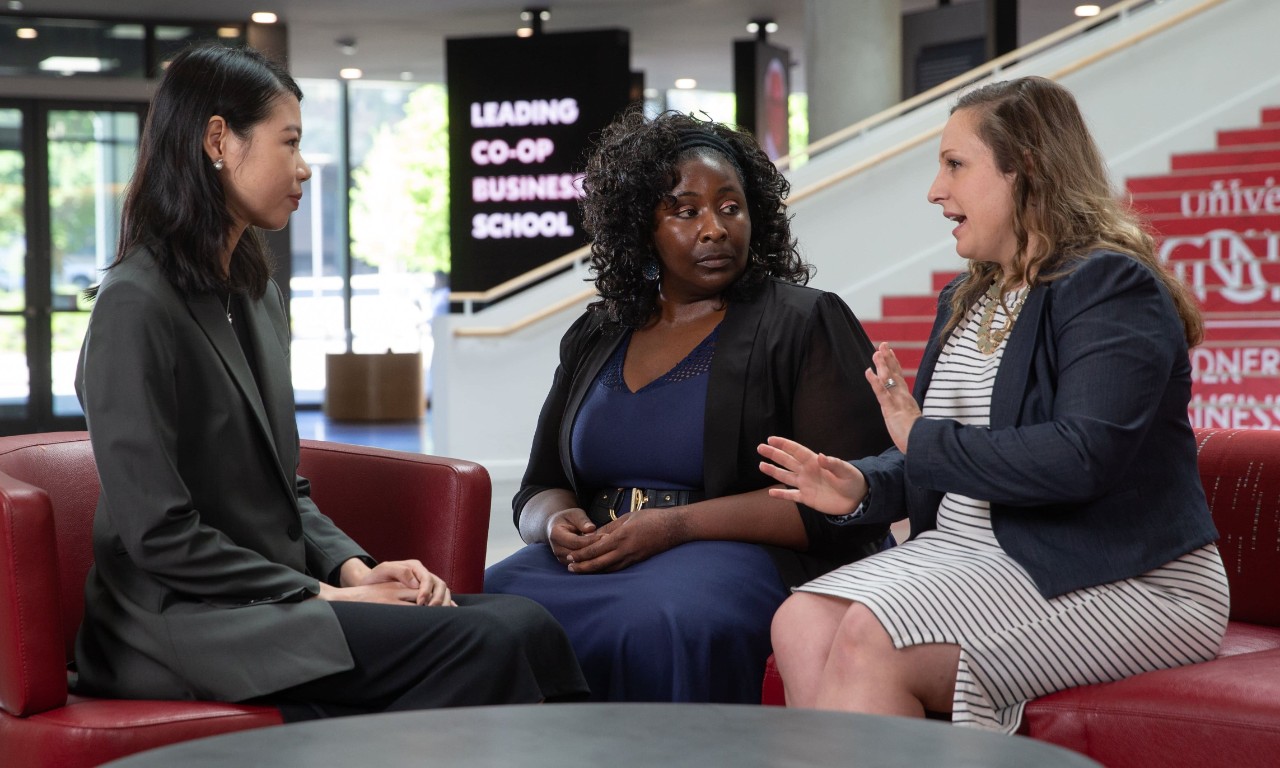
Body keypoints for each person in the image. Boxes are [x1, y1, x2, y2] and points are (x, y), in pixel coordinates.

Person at [73, 44, 587, 720]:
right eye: (289, 143)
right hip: (180, 624)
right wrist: (324, 596)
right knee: (478, 642)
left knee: (528, 622)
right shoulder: (135, 305)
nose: (305, 167)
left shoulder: (254, 293)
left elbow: (285, 490)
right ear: (218, 141)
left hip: (274, 602)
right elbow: (160, 535)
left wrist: (353, 570)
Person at [758, 76, 1230, 733]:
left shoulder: (1110, 286)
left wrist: (919, 441)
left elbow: (1080, 457)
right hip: (980, 559)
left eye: (955, 165)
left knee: (872, 637)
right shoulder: (966, 296)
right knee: (800, 620)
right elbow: (946, 455)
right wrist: (864, 485)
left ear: (1025, 168)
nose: (935, 190)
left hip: (1131, 579)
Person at [483, 107, 892, 703]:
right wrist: (553, 523)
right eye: (685, 210)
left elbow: (837, 502)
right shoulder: (597, 333)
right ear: (639, 227)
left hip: (742, 554)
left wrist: (672, 527)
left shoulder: (803, 322)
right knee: (485, 612)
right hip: (599, 553)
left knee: (659, 622)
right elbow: (539, 487)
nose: (715, 228)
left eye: (731, 206)